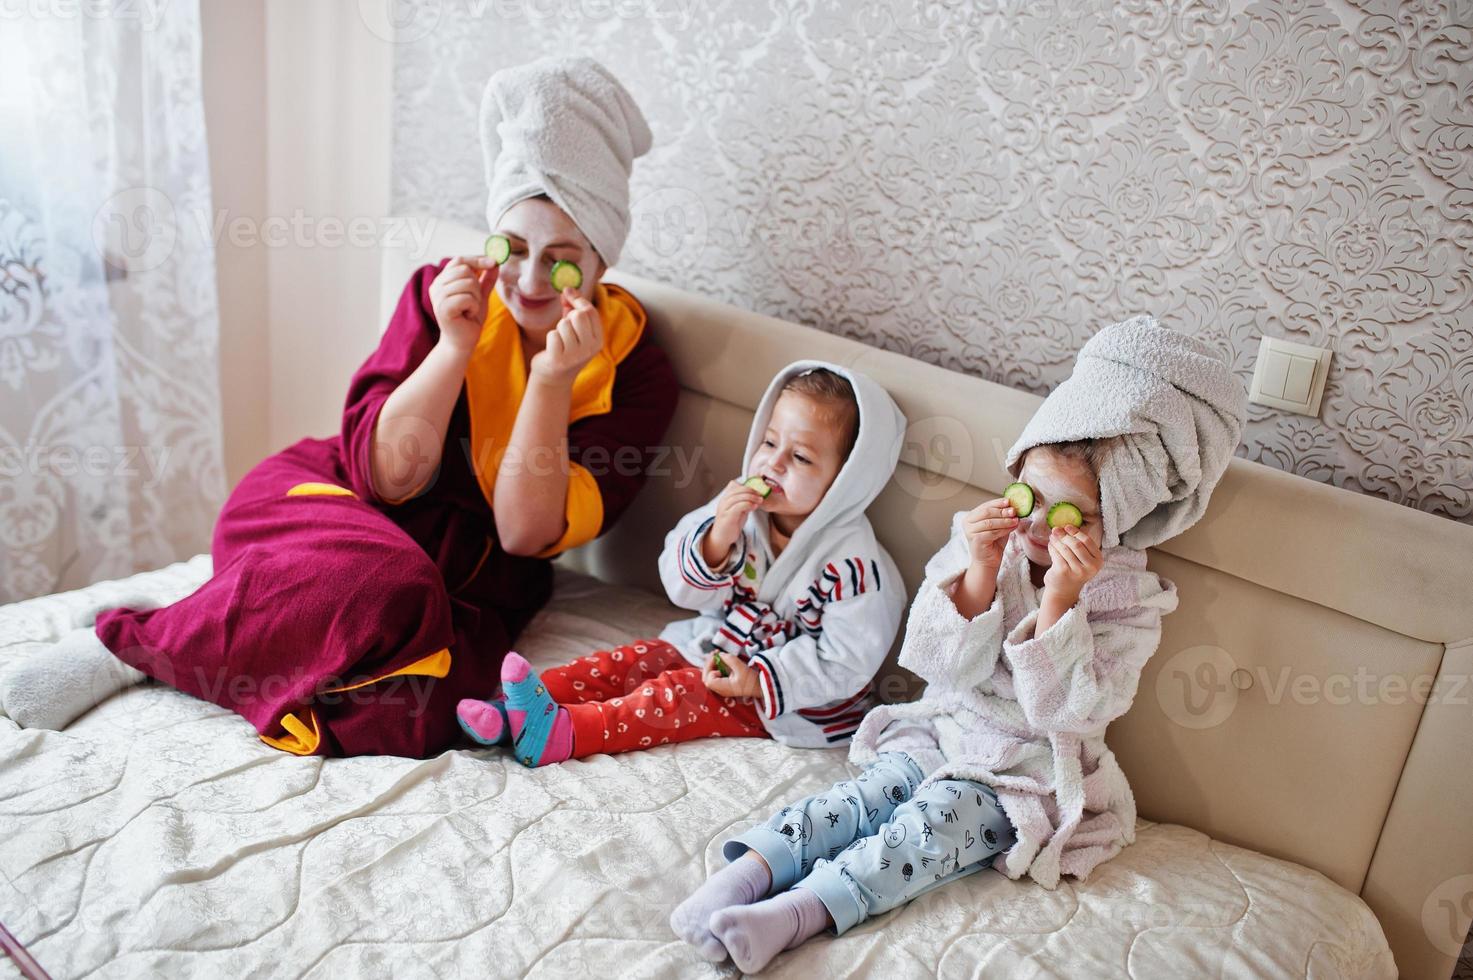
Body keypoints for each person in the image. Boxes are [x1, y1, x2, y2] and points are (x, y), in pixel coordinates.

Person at [0, 56, 677, 759]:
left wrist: (550, 382)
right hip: (320, 503)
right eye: (510, 247)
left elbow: (522, 532)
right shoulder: (441, 293)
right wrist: (451, 349)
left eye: (562, 259)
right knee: (386, 584)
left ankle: (225, 622)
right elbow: (386, 478)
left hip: (468, 577)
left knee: (429, 714)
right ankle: (128, 644)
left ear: (601, 261)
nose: (529, 280)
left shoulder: (638, 369)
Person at [669, 315, 1249, 972]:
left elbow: (1069, 716)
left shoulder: (1131, 604)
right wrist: (976, 572)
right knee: (854, 800)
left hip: (1021, 771)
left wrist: (1058, 603)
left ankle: (795, 913)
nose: (1034, 524)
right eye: (1026, 494)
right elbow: (936, 664)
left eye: (1071, 516)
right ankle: (742, 878)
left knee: (922, 833)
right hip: (940, 729)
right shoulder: (983, 545)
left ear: (1117, 520)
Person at [455, 363, 908, 767]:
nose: (773, 463)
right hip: (718, 647)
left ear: (848, 481)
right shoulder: (741, 510)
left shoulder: (856, 569)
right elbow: (681, 588)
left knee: (671, 698)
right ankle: (511, 710)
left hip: (788, 701)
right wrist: (717, 539)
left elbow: (847, 662)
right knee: (630, 662)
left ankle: (567, 733)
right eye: (770, 441)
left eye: (802, 457)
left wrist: (756, 680)